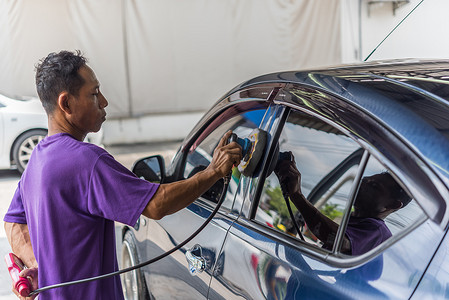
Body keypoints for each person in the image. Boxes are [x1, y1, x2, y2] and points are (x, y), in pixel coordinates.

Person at [3, 50, 242, 300]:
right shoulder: (87, 161)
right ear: (66, 103)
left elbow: (12, 222)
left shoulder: (37, 161)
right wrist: (214, 171)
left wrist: (38, 267)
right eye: (94, 94)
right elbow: (157, 204)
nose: (104, 101)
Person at [274, 152, 411, 256]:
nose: (361, 184)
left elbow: (338, 241)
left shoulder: (378, 233)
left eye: (374, 186)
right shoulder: (356, 222)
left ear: (393, 205)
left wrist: (297, 195)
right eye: (364, 180)